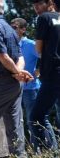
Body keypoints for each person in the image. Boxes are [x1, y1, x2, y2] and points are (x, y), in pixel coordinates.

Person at [0, 0, 31, 157]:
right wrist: (18, 73)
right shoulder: (10, 29)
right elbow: (20, 57)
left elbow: (2, 56)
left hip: (1, 84)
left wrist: (17, 73)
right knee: (14, 127)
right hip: (14, 84)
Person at [10, 17, 57, 151]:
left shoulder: (30, 44)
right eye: (10, 27)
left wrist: (38, 71)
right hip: (15, 89)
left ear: (23, 29)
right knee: (21, 122)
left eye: (15, 27)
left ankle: (51, 150)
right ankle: (36, 151)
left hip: (31, 89)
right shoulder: (11, 44)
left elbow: (47, 57)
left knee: (37, 120)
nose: (12, 30)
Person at [28, 0, 60, 151]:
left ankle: (48, 152)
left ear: (50, 3)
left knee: (36, 116)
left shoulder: (44, 18)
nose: (37, 9)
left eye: (40, 4)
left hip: (53, 73)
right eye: (35, 6)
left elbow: (38, 48)